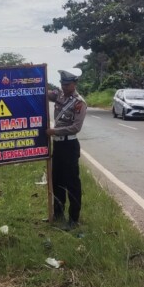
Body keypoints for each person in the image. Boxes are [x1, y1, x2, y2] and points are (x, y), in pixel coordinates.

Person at [46, 70, 87, 230]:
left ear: (74, 84)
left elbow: (76, 127)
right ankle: (58, 214)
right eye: (62, 84)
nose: (64, 87)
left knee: (72, 184)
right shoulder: (59, 95)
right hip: (58, 146)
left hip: (70, 146)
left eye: (67, 84)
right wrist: (32, 74)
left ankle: (73, 219)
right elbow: (43, 91)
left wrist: (54, 131)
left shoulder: (79, 102)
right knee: (57, 181)